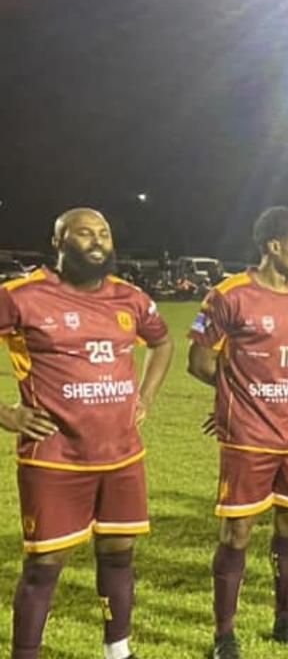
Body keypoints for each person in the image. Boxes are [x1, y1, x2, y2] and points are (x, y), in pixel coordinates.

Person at [1, 208, 174, 659]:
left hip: (122, 455)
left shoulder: (130, 298)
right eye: (84, 234)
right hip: (54, 458)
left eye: (104, 234)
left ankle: (119, 651)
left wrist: (146, 397)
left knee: (119, 554)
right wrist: (7, 414)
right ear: (58, 242)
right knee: (45, 565)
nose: (97, 241)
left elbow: (162, 341)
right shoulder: (21, 296)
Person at [188, 206, 288, 658]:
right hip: (248, 437)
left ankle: (286, 621)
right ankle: (224, 636)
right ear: (274, 246)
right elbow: (200, 361)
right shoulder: (229, 295)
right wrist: (237, 395)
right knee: (238, 534)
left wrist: (249, 389)